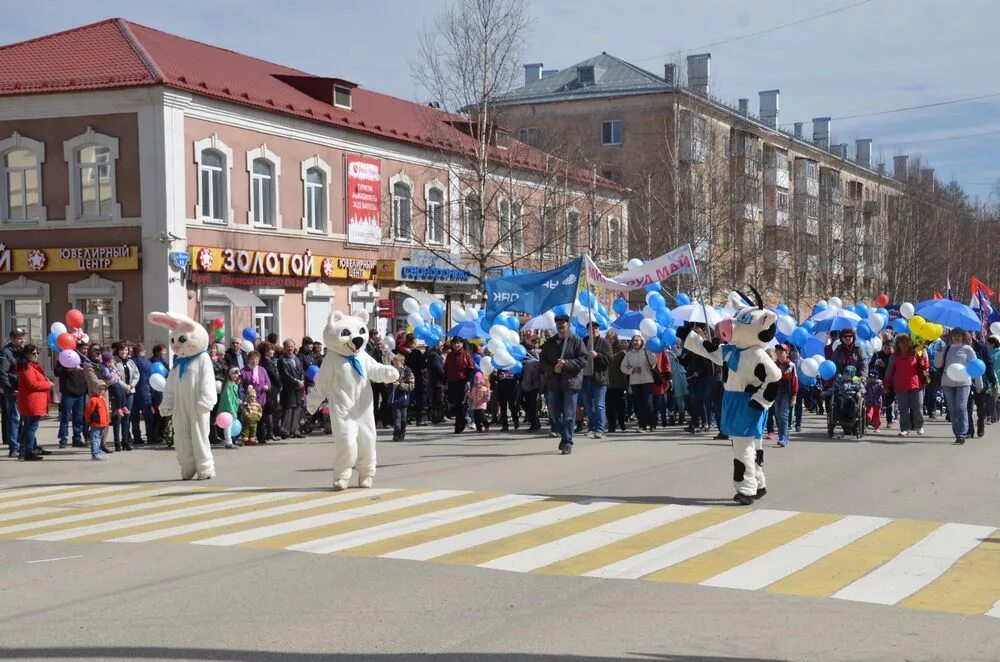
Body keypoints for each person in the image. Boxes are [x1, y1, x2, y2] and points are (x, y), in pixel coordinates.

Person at [539, 314, 588, 454]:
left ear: (568, 324)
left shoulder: (576, 341)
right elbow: (543, 362)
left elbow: (583, 360)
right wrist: (553, 368)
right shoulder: (550, 343)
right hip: (554, 383)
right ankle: (563, 434)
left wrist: (567, 364)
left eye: (564, 323)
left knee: (569, 414)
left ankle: (567, 442)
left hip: (571, 383)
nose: (561, 325)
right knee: (554, 414)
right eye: (558, 323)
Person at [934, 328, 982, 444]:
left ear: (962, 337)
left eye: (959, 336)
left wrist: (978, 383)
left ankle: (961, 433)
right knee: (952, 409)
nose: (957, 338)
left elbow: (975, 366)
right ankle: (957, 432)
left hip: (964, 382)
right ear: (951, 337)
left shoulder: (968, 349)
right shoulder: (946, 349)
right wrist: (939, 353)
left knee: (961, 408)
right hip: (948, 382)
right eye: (954, 336)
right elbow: (937, 364)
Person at [885, 334, 928, 437]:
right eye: (901, 342)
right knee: (903, 409)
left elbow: (925, 366)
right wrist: (886, 384)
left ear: (910, 343)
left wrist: (923, 356)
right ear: (898, 344)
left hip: (916, 384)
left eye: (906, 342)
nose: (904, 344)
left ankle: (919, 426)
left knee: (918, 406)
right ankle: (905, 428)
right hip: (900, 385)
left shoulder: (916, 353)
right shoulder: (894, 356)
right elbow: (889, 371)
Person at [16, 344, 51, 461]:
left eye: (37, 353)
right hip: (31, 401)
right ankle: (28, 452)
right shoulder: (27, 367)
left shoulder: (32, 366)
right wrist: (48, 384)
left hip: (33, 400)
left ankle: (23, 451)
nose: (36, 355)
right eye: (33, 353)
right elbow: (32, 384)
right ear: (27, 355)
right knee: (31, 427)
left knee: (28, 427)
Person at [580, 322, 613, 439]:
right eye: (592, 328)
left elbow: (609, 360)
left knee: (599, 405)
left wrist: (597, 356)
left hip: (599, 378)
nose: (594, 330)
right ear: (587, 330)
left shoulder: (604, 343)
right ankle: (591, 427)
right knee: (588, 406)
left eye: (596, 328)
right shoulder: (583, 342)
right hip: (585, 378)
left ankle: (600, 429)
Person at [54, 341, 88, 449]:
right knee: (65, 417)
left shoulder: (85, 360)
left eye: (86, 348)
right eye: (83, 348)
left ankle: (77, 438)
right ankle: (63, 439)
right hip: (68, 392)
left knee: (78, 417)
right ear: (77, 348)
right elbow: (57, 371)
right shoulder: (66, 356)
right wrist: (70, 369)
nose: (85, 351)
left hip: (80, 393)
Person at [620, 335, 657, 432]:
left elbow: (654, 362)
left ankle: (652, 423)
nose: (635, 343)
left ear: (641, 341)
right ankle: (642, 425)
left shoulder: (647, 351)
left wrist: (649, 352)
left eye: (637, 340)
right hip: (635, 382)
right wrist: (632, 370)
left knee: (648, 403)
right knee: (639, 404)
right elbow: (622, 367)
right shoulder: (629, 354)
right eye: (633, 341)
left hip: (647, 380)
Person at [1, 327, 26, 456]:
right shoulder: (6, 352)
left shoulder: (22, 351)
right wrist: (11, 388)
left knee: (22, 418)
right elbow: (3, 373)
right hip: (12, 391)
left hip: (23, 389)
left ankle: (23, 445)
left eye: (22, 337)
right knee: (14, 418)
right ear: (12, 339)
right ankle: (13, 447)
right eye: (19, 338)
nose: (22, 340)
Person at [967, 331, 997, 438]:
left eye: (967, 334)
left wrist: (993, 381)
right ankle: (970, 430)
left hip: (980, 380)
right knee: (967, 406)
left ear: (971, 335)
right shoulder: (960, 348)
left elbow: (988, 365)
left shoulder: (981, 347)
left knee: (981, 406)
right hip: (965, 380)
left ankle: (980, 425)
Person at [111, 341, 139, 451]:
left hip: (130, 392)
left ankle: (125, 441)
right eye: (122, 349)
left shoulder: (131, 362)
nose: (124, 352)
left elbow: (137, 375)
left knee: (127, 417)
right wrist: (125, 386)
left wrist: (131, 386)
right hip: (119, 392)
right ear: (117, 351)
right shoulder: (113, 362)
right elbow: (114, 376)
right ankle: (117, 442)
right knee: (118, 417)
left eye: (126, 350)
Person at [444, 337, 474, 433]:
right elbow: (446, 369)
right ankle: (463, 420)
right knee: (454, 402)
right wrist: (445, 381)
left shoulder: (466, 355)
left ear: (462, 344)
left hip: (462, 381)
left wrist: (468, 381)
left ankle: (458, 425)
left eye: (459, 343)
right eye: (455, 343)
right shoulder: (450, 355)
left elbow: (470, 369)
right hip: (452, 381)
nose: (457, 345)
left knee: (460, 403)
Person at [241, 350, 272, 444]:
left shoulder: (262, 370)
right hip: (250, 400)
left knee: (261, 419)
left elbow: (268, 381)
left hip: (261, 398)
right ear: (248, 360)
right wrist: (247, 388)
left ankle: (261, 437)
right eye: (252, 359)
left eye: (256, 359)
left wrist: (267, 386)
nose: (254, 361)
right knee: (250, 420)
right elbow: (241, 385)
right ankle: (248, 438)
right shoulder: (243, 371)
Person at [277, 338, 305, 438]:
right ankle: (285, 431)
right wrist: (296, 382)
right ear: (284, 348)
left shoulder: (296, 358)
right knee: (288, 409)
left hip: (298, 388)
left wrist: (301, 381)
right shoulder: (282, 360)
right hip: (288, 388)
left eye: (292, 346)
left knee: (297, 408)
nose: (290, 348)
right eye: (288, 346)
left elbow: (301, 371)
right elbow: (285, 374)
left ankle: (295, 430)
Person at [772, 344, 798, 447]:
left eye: (781, 351)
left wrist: (794, 396)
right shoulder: (774, 364)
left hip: (786, 394)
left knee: (783, 415)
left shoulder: (791, 366)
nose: (778, 353)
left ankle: (784, 438)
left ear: (786, 353)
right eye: (777, 351)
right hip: (775, 393)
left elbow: (795, 381)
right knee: (778, 415)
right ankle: (782, 434)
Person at [868, 333, 896, 429]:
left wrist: (885, 366)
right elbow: (870, 366)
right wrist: (875, 364)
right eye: (886, 348)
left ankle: (890, 420)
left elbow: (895, 369)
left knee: (889, 401)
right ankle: (874, 420)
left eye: (890, 348)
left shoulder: (894, 356)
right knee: (875, 400)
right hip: (877, 381)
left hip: (890, 381)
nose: (888, 350)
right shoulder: (877, 354)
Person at [130, 342, 153, 444]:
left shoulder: (130, 362)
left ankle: (137, 437)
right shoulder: (147, 363)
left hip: (133, 392)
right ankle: (151, 436)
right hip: (145, 391)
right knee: (148, 416)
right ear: (143, 351)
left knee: (134, 417)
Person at [389, 353, 415, 441]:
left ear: (402, 362)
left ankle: (402, 432)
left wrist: (400, 385)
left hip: (403, 399)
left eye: (397, 364)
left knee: (403, 418)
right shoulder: (391, 371)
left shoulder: (407, 371)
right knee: (397, 418)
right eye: (394, 363)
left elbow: (411, 386)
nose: (395, 365)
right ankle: (396, 434)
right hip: (394, 398)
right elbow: (386, 383)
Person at [606, 335, 629, 433]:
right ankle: (612, 425)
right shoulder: (604, 351)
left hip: (619, 382)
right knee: (609, 406)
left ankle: (621, 422)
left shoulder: (621, 353)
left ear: (615, 339)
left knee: (619, 405)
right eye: (608, 338)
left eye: (611, 339)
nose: (609, 341)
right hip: (607, 383)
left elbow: (626, 367)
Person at [259, 342, 281, 442]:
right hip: (270, 388)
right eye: (270, 350)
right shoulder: (265, 362)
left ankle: (269, 432)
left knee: (270, 410)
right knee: (269, 410)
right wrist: (280, 384)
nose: (273, 351)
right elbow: (273, 374)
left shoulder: (269, 360)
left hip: (272, 387)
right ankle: (269, 433)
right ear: (265, 352)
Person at [218, 367, 244, 448]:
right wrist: (231, 409)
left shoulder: (234, 385)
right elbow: (227, 398)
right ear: (229, 374)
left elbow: (234, 397)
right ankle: (228, 443)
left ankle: (232, 441)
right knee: (228, 426)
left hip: (232, 408)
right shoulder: (227, 384)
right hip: (227, 408)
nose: (236, 376)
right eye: (234, 374)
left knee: (230, 425)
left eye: (237, 374)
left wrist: (237, 400)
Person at [491, 362, 520, 431]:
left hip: (510, 389)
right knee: (503, 408)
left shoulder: (512, 365)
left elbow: (516, 378)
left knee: (512, 406)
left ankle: (515, 421)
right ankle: (505, 425)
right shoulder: (500, 367)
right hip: (501, 389)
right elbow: (497, 378)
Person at [85, 381, 111, 461]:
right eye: (98, 389)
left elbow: (105, 411)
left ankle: (98, 452)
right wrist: (89, 419)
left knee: (99, 438)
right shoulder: (93, 400)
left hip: (103, 423)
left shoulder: (102, 399)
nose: (100, 391)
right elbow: (88, 411)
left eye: (102, 389)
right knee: (95, 439)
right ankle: (95, 454)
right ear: (94, 389)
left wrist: (107, 420)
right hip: (96, 423)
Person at [149, 344, 169, 446]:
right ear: (157, 352)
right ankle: (155, 434)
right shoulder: (154, 362)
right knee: (158, 413)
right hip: (156, 390)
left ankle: (161, 433)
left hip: (162, 388)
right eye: (163, 351)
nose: (165, 353)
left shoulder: (163, 362)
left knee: (162, 413)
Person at [405, 338, 428, 425]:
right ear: (413, 343)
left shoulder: (403, 352)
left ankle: (406, 418)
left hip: (406, 379)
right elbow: (423, 366)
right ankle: (419, 419)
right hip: (417, 379)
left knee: (407, 399)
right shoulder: (417, 352)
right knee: (420, 399)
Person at [519, 350, 544, 431]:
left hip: (535, 388)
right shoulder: (526, 365)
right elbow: (523, 376)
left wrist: (541, 387)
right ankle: (536, 422)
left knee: (533, 406)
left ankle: (534, 424)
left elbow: (541, 377)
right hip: (526, 387)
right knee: (528, 405)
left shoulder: (539, 364)